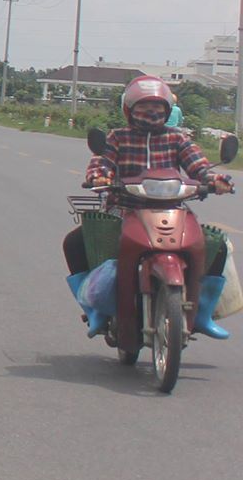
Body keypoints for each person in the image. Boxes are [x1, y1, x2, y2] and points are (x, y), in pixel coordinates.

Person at [63, 75, 236, 337]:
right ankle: (94, 309)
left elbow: (198, 166)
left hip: (173, 210)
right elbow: (102, 162)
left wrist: (215, 180)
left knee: (217, 245)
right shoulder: (117, 137)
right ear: (129, 109)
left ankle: (201, 312)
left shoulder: (177, 138)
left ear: (167, 110)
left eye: (157, 107)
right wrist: (99, 176)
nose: (151, 112)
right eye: (144, 106)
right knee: (75, 243)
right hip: (124, 209)